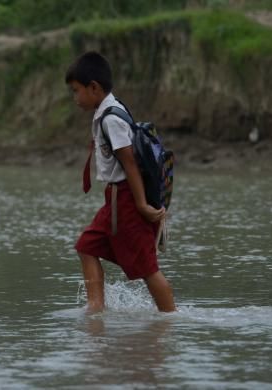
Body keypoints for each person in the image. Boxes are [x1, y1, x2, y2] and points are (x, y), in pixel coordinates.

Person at [65, 51, 175, 313]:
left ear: (94, 87)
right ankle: (95, 308)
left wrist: (141, 206)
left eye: (76, 91)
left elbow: (130, 163)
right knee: (86, 246)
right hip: (113, 200)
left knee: (148, 268)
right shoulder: (111, 109)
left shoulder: (111, 119)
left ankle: (172, 319)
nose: (75, 97)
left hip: (125, 201)